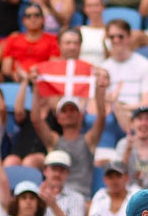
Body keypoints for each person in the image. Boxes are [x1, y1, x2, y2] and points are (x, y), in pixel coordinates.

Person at [29, 72, 108, 200]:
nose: (68, 114)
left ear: (80, 116)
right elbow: (36, 120)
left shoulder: (88, 140)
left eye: (72, 110)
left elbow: (101, 118)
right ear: (58, 118)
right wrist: (37, 88)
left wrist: (99, 91)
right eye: (64, 111)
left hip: (81, 197)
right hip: (55, 196)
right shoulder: (54, 140)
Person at [37, 149, 87, 216]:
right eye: (54, 169)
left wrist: (54, 206)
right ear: (45, 171)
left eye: (62, 170)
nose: (57, 174)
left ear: (67, 173)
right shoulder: (32, 195)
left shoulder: (76, 198)